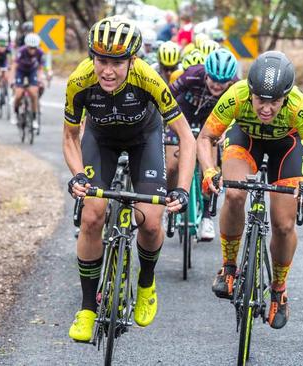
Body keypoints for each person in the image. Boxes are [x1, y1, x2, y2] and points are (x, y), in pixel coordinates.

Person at [64, 16, 196, 342]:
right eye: (101, 61)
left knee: (151, 221)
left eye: (117, 63)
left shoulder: (148, 78)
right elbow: (69, 137)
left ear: (132, 60)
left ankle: (147, 283)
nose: (107, 71)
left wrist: (182, 188)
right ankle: (86, 308)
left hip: (144, 140)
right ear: (92, 58)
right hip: (100, 142)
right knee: (93, 215)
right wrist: (78, 174)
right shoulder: (79, 81)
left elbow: (186, 138)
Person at [198, 51, 303, 329]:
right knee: (234, 194)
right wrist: (210, 169)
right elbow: (207, 136)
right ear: (250, 92)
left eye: (274, 102)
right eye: (260, 100)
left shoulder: (298, 105)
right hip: (245, 139)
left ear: (286, 96)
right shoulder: (236, 95)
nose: (266, 109)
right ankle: (229, 267)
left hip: (287, 146)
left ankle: (279, 289)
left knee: (283, 225)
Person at [168, 48, 239, 241]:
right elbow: (166, 96)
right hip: (184, 115)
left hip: (211, 121)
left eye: (222, 82)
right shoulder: (192, 75)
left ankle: (207, 216)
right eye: (214, 80)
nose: (217, 86)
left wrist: (226, 133)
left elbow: (238, 115)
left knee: (211, 167)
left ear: (230, 80)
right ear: (206, 74)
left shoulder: (236, 87)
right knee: (172, 166)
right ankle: (172, 201)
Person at [11, 33, 44, 128]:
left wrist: (40, 79)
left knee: (34, 94)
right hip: (20, 71)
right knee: (18, 94)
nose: (32, 50)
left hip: (32, 71)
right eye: (30, 48)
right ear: (26, 46)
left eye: (34, 48)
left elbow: (40, 68)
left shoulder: (40, 52)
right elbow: (14, 66)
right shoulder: (21, 51)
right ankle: (15, 112)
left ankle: (34, 119)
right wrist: (12, 80)